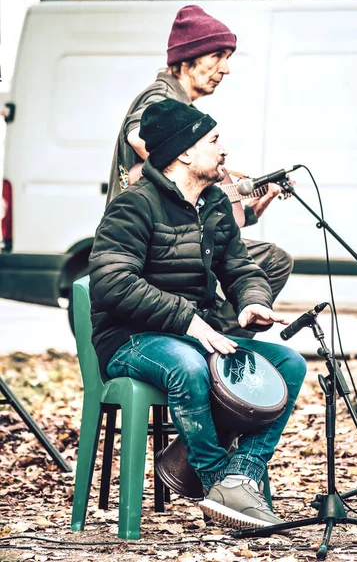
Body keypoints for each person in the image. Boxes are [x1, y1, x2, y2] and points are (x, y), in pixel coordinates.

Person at [90, 99, 306, 528]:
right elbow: (112, 283)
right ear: (184, 152)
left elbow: (240, 267)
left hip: (192, 334)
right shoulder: (134, 205)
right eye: (214, 140)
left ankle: (241, 475)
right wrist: (188, 320)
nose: (223, 150)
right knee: (188, 365)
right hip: (132, 338)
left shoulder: (215, 205)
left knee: (288, 364)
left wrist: (253, 302)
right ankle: (214, 483)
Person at [106, 4, 293, 338]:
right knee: (273, 260)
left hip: (172, 230)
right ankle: (219, 353)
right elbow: (138, 136)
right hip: (153, 236)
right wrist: (200, 176)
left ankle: (218, 347)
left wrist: (242, 207)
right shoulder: (162, 97)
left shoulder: (182, 104)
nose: (225, 68)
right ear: (186, 59)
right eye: (217, 56)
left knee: (246, 262)